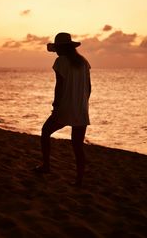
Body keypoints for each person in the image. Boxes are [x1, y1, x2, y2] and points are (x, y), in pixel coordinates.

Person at [35, 32, 91, 186]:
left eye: (58, 48)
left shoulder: (60, 62)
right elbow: (89, 87)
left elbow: (59, 86)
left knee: (45, 131)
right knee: (78, 146)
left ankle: (46, 166)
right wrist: (82, 103)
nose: (56, 51)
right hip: (81, 109)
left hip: (65, 106)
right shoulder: (84, 62)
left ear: (62, 47)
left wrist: (56, 104)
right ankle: (79, 180)